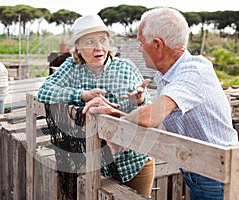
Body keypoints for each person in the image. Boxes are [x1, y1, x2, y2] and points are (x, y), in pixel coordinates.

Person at [82, 7, 239, 200]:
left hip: (219, 178)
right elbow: (154, 122)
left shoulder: (193, 72)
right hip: (200, 172)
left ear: (157, 45)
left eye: (141, 43)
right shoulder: (167, 75)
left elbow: (150, 116)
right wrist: (116, 117)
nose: (139, 49)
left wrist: (117, 127)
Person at [38, 14, 155, 197]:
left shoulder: (126, 68)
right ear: (78, 47)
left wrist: (139, 101)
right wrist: (82, 95)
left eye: (103, 40)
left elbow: (149, 107)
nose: (98, 47)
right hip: (96, 165)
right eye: (90, 42)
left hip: (134, 162)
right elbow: (44, 91)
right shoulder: (72, 68)